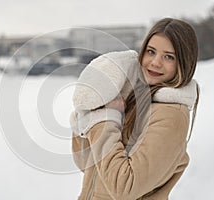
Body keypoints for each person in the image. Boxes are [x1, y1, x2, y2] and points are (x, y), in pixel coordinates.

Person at [70, 18, 200, 200]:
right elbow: (87, 165)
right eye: (151, 52)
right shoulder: (135, 100)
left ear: (184, 63)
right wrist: (87, 116)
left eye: (168, 56)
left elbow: (124, 188)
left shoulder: (170, 116)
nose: (155, 62)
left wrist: (105, 119)